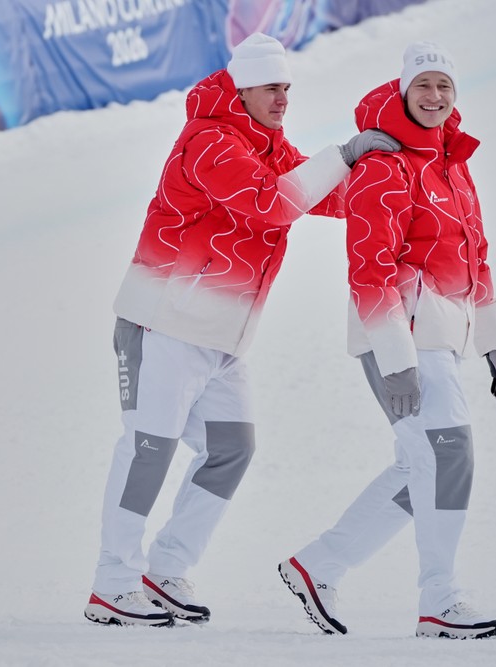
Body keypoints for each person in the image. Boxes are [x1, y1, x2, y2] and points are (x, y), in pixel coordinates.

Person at [83, 33, 400, 627]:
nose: (283, 98)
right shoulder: (208, 141)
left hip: (220, 338)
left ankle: (166, 567)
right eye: (271, 87)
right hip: (164, 322)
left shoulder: (268, 143)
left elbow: (319, 195)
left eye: (286, 87)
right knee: (147, 449)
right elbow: (274, 203)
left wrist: (390, 172)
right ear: (242, 87)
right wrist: (345, 151)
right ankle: (113, 582)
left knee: (231, 449)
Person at [278, 41, 496, 639]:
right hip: (401, 338)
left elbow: (476, 256)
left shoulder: (452, 164)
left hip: (443, 334)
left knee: (423, 464)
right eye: (424, 86)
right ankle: (440, 599)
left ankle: (319, 565)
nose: (435, 97)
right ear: (404, 90)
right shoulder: (384, 164)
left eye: (445, 86)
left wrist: (494, 339)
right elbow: (370, 267)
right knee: (449, 453)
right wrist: (396, 359)